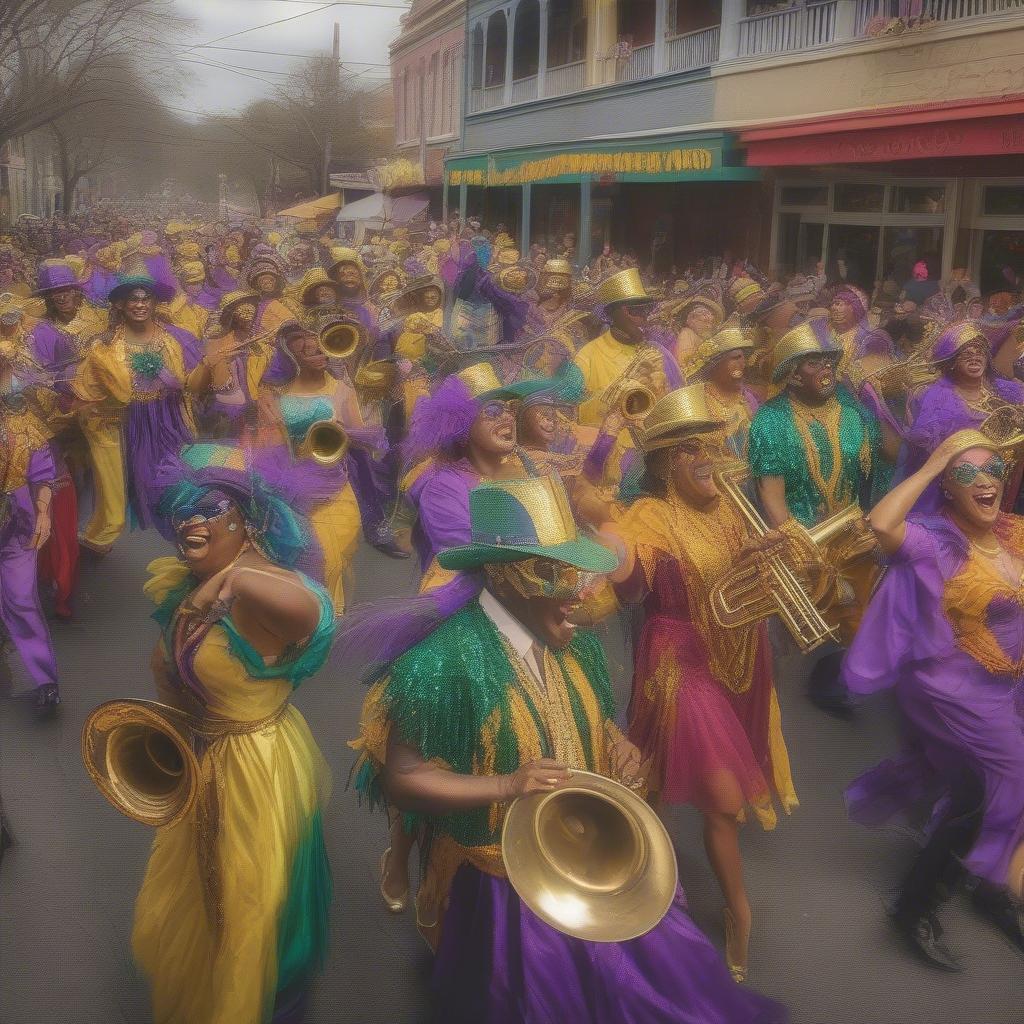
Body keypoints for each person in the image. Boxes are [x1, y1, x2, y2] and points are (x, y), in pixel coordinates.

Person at [350, 474, 788, 1023]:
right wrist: (506, 785)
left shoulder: (574, 644)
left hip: (588, 855)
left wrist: (618, 745)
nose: (584, 590)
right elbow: (402, 777)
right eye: (561, 573)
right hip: (503, 879)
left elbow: (595, 718)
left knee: (661, 972)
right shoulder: (442, 662)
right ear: (511, 575)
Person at [597, 386, 798, 982]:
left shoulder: (735, 508)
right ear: (665, 464)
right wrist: (606, 534)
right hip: (679, 658)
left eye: (715, 444)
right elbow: (629, 588)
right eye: (691, 449)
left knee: (657, 776)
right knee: (723, 797)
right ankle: (737, 909)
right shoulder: (649, 517)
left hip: (739, 652)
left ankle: (638, 861)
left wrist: (776, 558)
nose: (710, 456)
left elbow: (757, 584)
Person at [132, 442, 336, 1024]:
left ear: (246, 519)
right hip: (205, 754)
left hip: (256, 765)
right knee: (205, 893)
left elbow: (315, 613)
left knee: (252, 906)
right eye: (180, 511)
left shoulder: (260, 585)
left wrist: (239, 580)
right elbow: (170, 671)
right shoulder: (193, 579)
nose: (189, 522)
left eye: (207, 508)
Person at [844, 428, 1024, 970]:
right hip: (949, 684)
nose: (984, 479)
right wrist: (934, 460)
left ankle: (957, 891)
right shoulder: (933, 540)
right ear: (947, 487)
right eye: (965, 473)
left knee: (974, 791)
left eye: (992, 469)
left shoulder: (1015, 533)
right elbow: (880, 525)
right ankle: (942, 897)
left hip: (1006, 682)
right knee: (1013, 776)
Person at [748, 318, 889, 717]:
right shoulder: (770, 420)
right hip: (800, 535)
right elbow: (769, 491)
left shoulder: (853, 410)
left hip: (851, 532)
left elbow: (874, 471)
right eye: (813, 363)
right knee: (801, 632)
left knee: (860, 616)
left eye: (829, 361)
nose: (826, 369)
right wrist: (795, 541)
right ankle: (785, 705)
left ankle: (834, 681)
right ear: (792, 375)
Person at [256, 319, 384, 614]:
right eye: (307, 351)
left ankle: (328, 612)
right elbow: (268, 448)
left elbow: (368, 439)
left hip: (335, 482)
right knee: (304, 553)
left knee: (337, 552)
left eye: (320, 348)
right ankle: (309, 615)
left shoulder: (341, 390)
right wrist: (271, 426)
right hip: (293, 484)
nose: (318, 354)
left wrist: (344, 432)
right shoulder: (277, 396)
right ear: (292, 358)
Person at [71, 275, 205, 533]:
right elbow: (86, 390)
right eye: (133, 299)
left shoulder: (176, 339)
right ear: (120, 304)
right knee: (144, 481)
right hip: (132, 423)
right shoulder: (106, 346)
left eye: (146, 299)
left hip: (169, 417)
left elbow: (192, 383)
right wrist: (94, 409)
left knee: (179, 476)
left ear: (155, 303)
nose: (140, 304)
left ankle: (188, 531)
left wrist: (210, 365)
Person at [900, 322, 1024, 512]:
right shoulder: (937, 399)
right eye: (966, 354)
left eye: (979, 353)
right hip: (963, 489)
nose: (974, 359)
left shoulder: (1005, 390)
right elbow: (930, 452)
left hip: (1009, 484)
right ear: (951, 362)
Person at [0, 368, 61, 710]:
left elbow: (42, 474)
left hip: (18, 525)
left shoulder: (22, 422)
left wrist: (43, 513)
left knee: (22, 598)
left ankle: (45, 681)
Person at [684, 323, 759, 458]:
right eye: (735, 358)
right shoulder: (698, 402)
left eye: (743, 358)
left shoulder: (747, 398)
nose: (743, 364)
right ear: (716, 365)